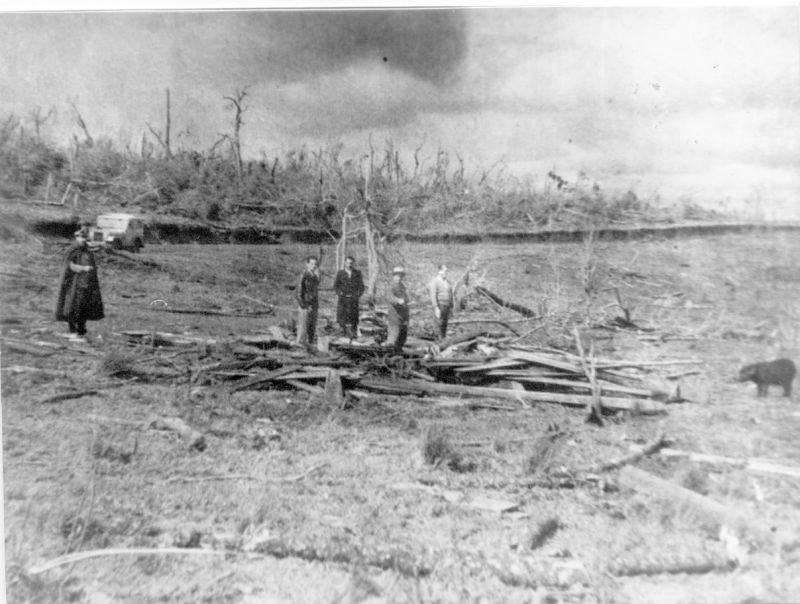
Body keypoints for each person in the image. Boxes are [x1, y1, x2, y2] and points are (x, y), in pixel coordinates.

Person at [55, 226, 105, 342]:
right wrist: (83, 268)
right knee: (73, 307)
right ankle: (73, 330)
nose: (83, 241)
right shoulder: (73, 250)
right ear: (77, 238)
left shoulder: (86, 250)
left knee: (83, 307)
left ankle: (82, 330)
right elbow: (69, 265)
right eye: (81, 238)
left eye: (85, 238)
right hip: (73, 285)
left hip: (86, 285)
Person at [333, 255, 365, 339]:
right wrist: (340, 293)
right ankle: (342, 333)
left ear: (353, 264)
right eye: (347, 263)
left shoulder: (357, 273)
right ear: (344, 263)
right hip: (343, 299)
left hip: (353, 299)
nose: (349, 264)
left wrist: (357, 295)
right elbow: (336, 286)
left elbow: (361, 287)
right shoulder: (340, 273)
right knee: (342, 316)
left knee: (353, 317)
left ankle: (353, 334)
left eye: (351, 263)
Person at [295, 256, 320, 352]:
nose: (314, 266)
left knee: (312, 326)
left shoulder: (314, 276)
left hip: (314, 304)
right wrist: (304, 305)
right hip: (305, 305)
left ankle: (309, 346)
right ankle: (299, 347)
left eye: (315, 264)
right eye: (312, 264)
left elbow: (314, 291)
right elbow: (298, 293)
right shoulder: (303, 275)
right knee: (303, 327)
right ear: (307, 264)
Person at [386, 266, 409, 354]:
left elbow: (406, 298)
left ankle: (398, 354)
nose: (399, 278)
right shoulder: (391, 286)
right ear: (393, 276)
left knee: (402, 336)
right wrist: (398, 300)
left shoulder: (403, 287)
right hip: (394, 315)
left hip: (404, 315)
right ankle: (389, 355)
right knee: (394, 335)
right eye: (397, 276)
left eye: (400, 276)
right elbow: (389, 297)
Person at [429, 263, 454, 340]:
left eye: (447, 271)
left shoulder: (447, 282)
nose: (446, 273)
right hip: (440, 305)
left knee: (444, 324)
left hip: (447, 305)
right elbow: (433, 294)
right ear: (440, 271)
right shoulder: (435, 281)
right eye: (445, 271)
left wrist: (451, 306)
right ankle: (438, 341)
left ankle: (443, 339)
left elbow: (451, 294)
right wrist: (436, 307)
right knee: (438, 323)